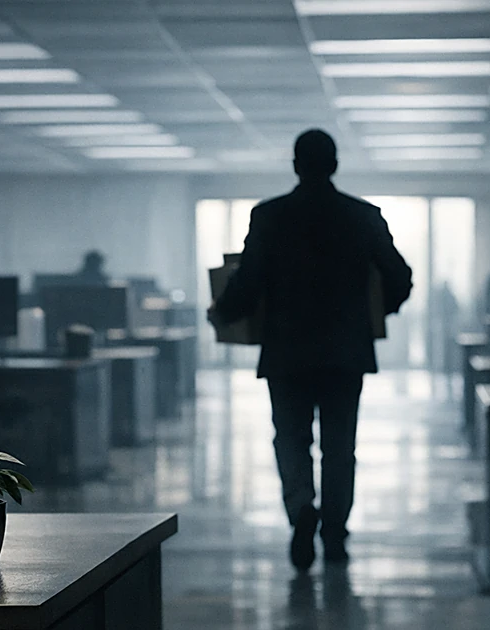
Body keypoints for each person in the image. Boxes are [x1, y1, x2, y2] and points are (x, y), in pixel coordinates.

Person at [208, 129, 413, 571]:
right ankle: (335, 535)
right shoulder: (364, 216)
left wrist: (221, 313)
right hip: (346, 353)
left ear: (296, 166)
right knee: (340, 447)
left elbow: (249, 282)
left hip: (287, 353)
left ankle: (302, 509)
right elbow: (400, 278)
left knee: (291, 439)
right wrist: (376, 312)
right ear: (334, 165)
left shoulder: (269, 217)